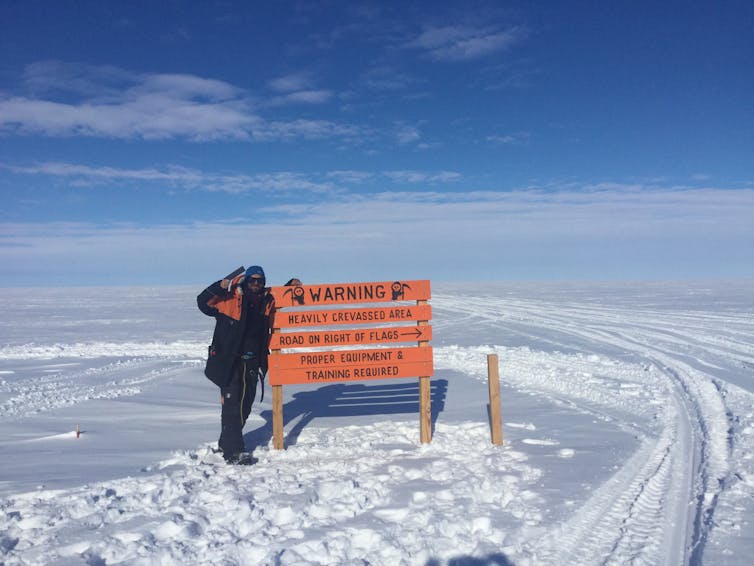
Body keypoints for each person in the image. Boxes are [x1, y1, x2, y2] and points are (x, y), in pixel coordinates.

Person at [197, 265, 275, 464]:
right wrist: (219, 287)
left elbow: (284, 300)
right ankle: (234, 452)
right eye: (252, 280)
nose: (256, 284)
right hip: (229, 362)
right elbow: (203, 303)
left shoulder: (266, 302)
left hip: (252, 363)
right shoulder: (230, 299)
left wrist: (292, 287)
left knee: (245, 407)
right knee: (232, 407)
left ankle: (226, 443)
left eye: (260, 280)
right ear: (246, 281)